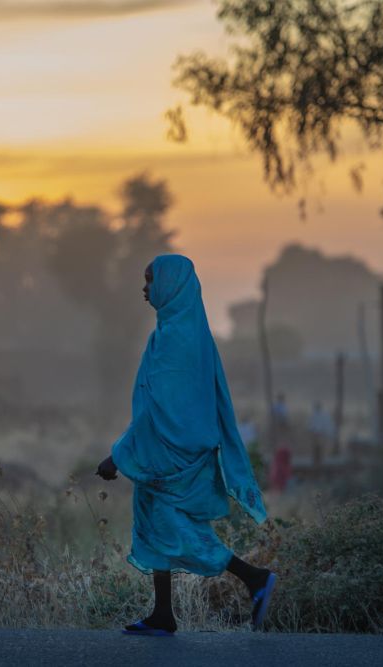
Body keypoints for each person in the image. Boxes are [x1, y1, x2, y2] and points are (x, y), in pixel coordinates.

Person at [96, 254, 276, 635]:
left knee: (173, 527)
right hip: (166, 451)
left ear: (171, 286)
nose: (144, 289)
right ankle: (163, 613)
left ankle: (253, 578)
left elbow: (161, 410)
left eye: (150, 281)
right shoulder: (178, 332)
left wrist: (118, 455)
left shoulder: (175, 340)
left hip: (172, 455)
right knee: (154, 526)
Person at [307, 400, 334, 467]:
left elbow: (325, 424)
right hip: (316, 433)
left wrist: (324, 431)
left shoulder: (323, 415)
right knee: (316, 446)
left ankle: (319, 460)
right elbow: (311, 424)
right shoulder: (314, 415)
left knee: (320, 446)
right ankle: (316, 459)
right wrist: (312, 431)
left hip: (320, 433)